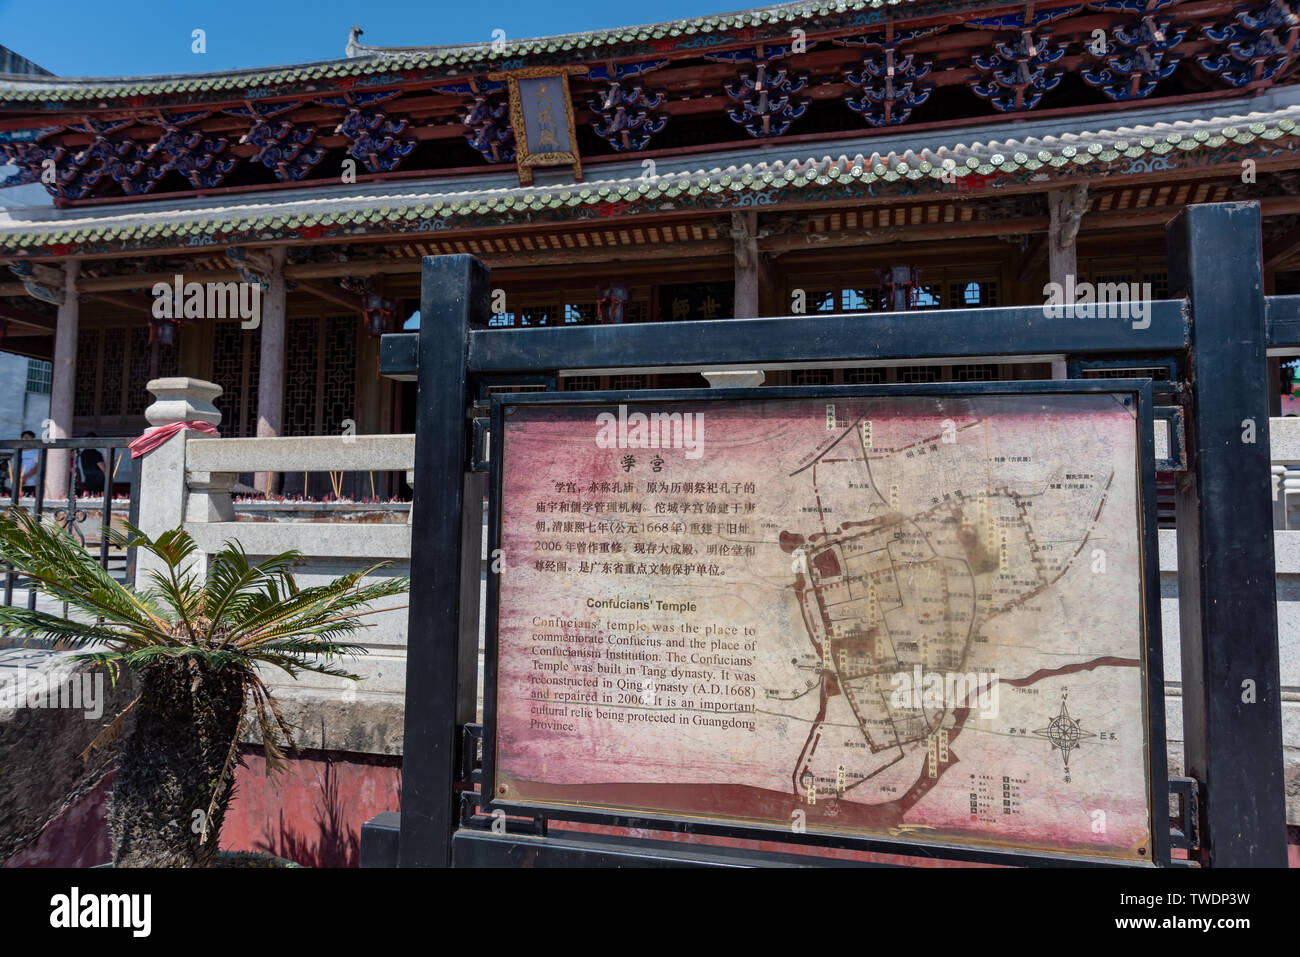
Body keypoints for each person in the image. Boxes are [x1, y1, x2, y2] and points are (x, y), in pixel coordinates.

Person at [19, 430, 38, 496]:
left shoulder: (36, 452)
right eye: (24, 438)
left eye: (28, 438)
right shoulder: (18, 452)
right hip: (19, 483)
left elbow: (37, 467)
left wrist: (25, 477)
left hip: (32, 483)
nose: (26, 440)